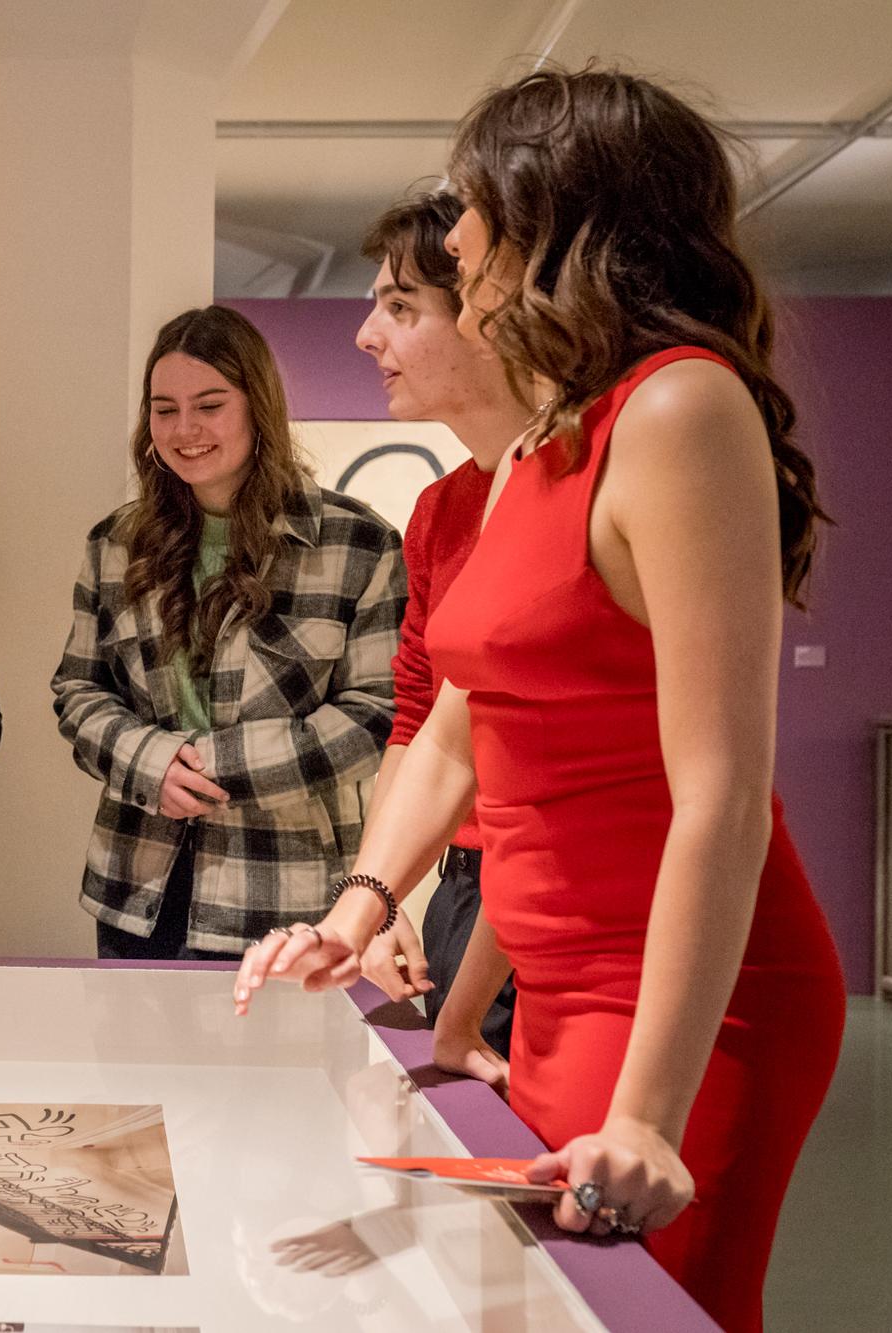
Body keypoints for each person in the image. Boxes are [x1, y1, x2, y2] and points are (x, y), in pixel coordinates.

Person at [235, 67, 843, 1333]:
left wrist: (647, 1113)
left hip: (690, 1011)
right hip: (557, 991)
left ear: (550, 217)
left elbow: (721, 796)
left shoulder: (679, 407)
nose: (452, 235)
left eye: (467, 206)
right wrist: (367, 908)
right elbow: (468, 724)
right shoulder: (540, 439)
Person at [52, 305, 405, 959]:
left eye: (209, 405)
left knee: (284, 1065)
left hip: (288, 898)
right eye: (164, 409)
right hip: (136, 888)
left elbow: (375, 718)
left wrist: (218, 765)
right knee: (135, 1065)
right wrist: (148, 761)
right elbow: (78, 691)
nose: (185, 429)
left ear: (256, 407)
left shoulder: (359, 542)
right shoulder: (115, 543)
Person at [352, 189, 536, 1059]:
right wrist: (378, 897)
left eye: (399, 307)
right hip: (471, 886)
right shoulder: (442, 509)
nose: (367, 336)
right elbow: (424, 720)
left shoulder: (589, 469)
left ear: (486, 312)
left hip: (578, 890)